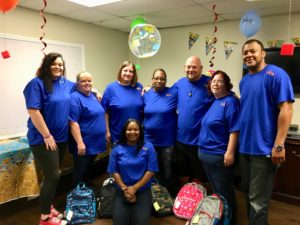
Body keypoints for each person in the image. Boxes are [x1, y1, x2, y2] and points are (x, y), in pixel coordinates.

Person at [239, 39, 294, 225]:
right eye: (245, 52)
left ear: (263, 53)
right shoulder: (244, 80)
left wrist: (279, 144)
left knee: (258, 202)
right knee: (248, 196)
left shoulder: (277, 75)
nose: (248, 55)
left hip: (264, 149)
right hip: (245, 147)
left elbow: (286, 109)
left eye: (253, 51)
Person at [23, 52, 72, 225]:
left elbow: (81, 86)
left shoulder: (64, 83)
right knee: (53, 176)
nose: (58, 67)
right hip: (43, 139)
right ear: (47, 65)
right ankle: (45, 217)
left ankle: (48, 206)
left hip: (61, 138)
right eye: (54, 64)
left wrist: (94, 90)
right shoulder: (36, 84)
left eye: (61, 64)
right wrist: (46, 135)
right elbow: (33, 111)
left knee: (52, 176)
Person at [198, 70, 239, 225]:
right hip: (206, 155)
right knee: (216, 192)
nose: (215, 83)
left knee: (225, 192)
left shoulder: (230, 102)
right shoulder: (214, 101)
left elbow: (234, 130)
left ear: (227, 85)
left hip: (219, 156)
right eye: (213, 81)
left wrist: (229, 152)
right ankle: (220, 219)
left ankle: (231, 220)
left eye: (220, 81)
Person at [107, 119, 158, 225]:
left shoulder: (148, 147)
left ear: (140, 131)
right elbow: (114, 171)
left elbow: (151, 170)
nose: (132, 132)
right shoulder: (117, 148)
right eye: (129, 129)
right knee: (119, 222)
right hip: (122, 190)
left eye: (136, 129)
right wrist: (126, 190)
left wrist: (134, 188)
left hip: (142, 190)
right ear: (124, 132)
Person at [173, 56, 214, 186]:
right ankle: (184, 197)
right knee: (182, 171)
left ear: (201, 68)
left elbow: (225, 94)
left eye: (194, 67)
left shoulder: (209, 83)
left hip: (199, 141)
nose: (191, 69)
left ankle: (200, 199)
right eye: (188, 67)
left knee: (200, 175)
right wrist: (147, 88)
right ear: (184, 68)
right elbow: (165, 93)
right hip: (180, 140)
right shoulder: (179, 83)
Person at [69, 71, 106, 187]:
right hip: (84, 143)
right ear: (77, 83)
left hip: (95, 142)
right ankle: (77, 196)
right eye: (83, 81)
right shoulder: (74, 98)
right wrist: (80, 142)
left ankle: (86, 191)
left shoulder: (93, 96)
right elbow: (73, 122)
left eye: (89, 81)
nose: (87, 83)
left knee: (87, 169)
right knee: (80, 171)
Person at [142, 68, 177, 192]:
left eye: (162, 78)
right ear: (152, 79)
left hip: (167, 139)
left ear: (166, 80)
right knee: (151, 166)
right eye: (156, 78)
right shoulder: (145, 94)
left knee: (167, 167)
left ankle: (166, 192)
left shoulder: (173, 92)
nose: (159, 80)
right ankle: (154, 192)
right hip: (149, 138)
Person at [102, 60, 143, 146]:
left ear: (134, 74)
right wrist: (107, 131)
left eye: (131, 71)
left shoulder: (139, 87)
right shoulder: (111, 88)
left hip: (136, 134)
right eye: (125, 70)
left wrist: (149, 88)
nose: (128, 73)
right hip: (117, 134)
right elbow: (105, 112)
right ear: (120, 71)